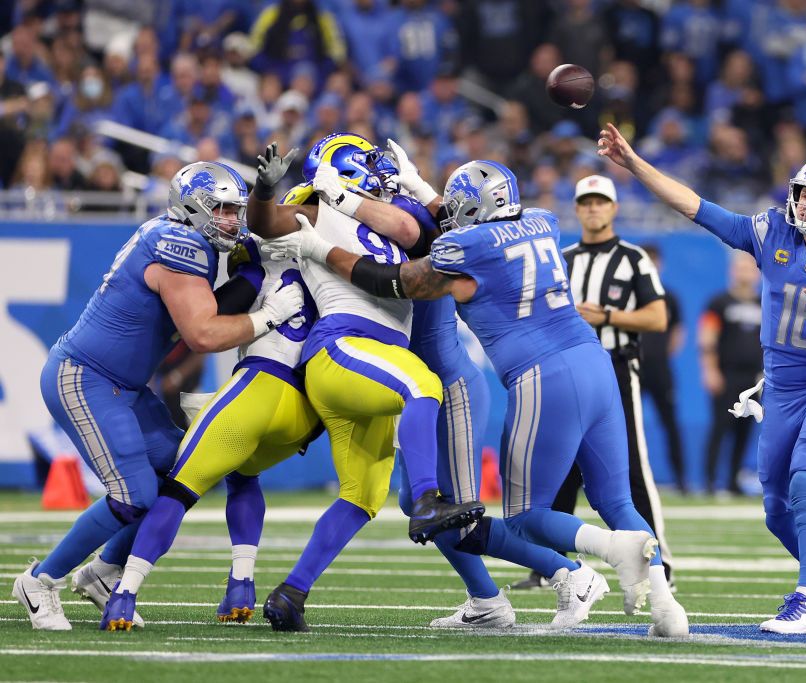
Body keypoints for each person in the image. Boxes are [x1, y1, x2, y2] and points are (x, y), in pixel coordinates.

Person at [264, 159, 690, 637]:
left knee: (524, 518)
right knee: (615, 499)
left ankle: (601, 558)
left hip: (540, 374)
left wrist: (321, 244)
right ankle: (667, 609)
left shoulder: (461, 246)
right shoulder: (542, 222)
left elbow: (396, 280)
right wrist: (424, 189)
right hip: (591, 360)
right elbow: (455, 221)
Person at [598, 122, 806, 635]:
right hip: (779, 389)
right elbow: (695, 207)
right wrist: (634, 164)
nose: (804, 204)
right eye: (802, 193)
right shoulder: (772, 231)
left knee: (805, 481)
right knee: (775, 510)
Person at [12, 161, 305, 631]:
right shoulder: (180, 243)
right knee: (132, 495)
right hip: (86, 377)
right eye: (223, 210)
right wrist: (269, 315)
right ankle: (40, 579)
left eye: (235, 209)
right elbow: (204, 333)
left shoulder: (191, 240)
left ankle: (104, 573)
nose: (233, 219)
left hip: (123, 386)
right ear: (192, 208)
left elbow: (207, 307)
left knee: (181, 472)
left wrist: (251, 278)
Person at [244, 141, 485, 631]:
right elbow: (266, 223)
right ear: (344, 167)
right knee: (424, 384)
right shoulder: (314, 206)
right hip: (344, 345)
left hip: (363, 363)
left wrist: (418, 186)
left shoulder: (388, 214)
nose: (384, 173)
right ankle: (425, 499)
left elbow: (430, 230)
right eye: (371, 164)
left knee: (361, 497)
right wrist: (266, 189)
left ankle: (291, 593)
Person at [380, 141, 598, 629]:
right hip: (423, 391)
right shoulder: (451, 231)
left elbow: (406, 239)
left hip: (450, 389)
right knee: (414, 502)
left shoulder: (425, 236)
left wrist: (324, 234)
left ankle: (568, 571)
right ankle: (486, 600)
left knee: (455, 515)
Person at [99, 183, 325, 631]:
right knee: (244, 475)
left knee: (179, 489)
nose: (233, 219)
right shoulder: (339, 255)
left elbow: (214, 316)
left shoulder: (259, 250)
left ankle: (123, 592)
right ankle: (241, 582)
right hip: (308, 412)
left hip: (262, 385)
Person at [514, 174, 676, 590]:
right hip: (565, 372)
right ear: (577, 208)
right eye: (585, 202)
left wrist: (605, 316)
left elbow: (658, 318)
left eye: (600, 201)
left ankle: (661, 564)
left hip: (617, 368)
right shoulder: (561, 257)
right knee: (560, 467)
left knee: (632, 468)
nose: (592, 208)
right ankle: (549, 566)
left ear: (614, 207)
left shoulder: (633, 257)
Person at [700, 251, 762, 495]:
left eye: (750, 268)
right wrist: (710, 370)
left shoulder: (763, 304)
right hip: (727, 374)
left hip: (754, 379)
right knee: (720, 427)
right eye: (741, 267)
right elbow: (707, 338)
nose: (745, 272)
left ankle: (734, 481)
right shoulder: (719, 303)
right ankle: (710, 481)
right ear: (732, 271)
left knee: (744, 431)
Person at [638, 244, 687, 493]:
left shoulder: (669, 296)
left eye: (654, 261)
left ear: (660, 264)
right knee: (623, 425)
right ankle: (625, 482)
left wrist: (661, 353)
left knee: (670, 423)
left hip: (660, 368)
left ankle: (681, 480)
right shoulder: (629, 293)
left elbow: (678, 331)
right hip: (632, 366)